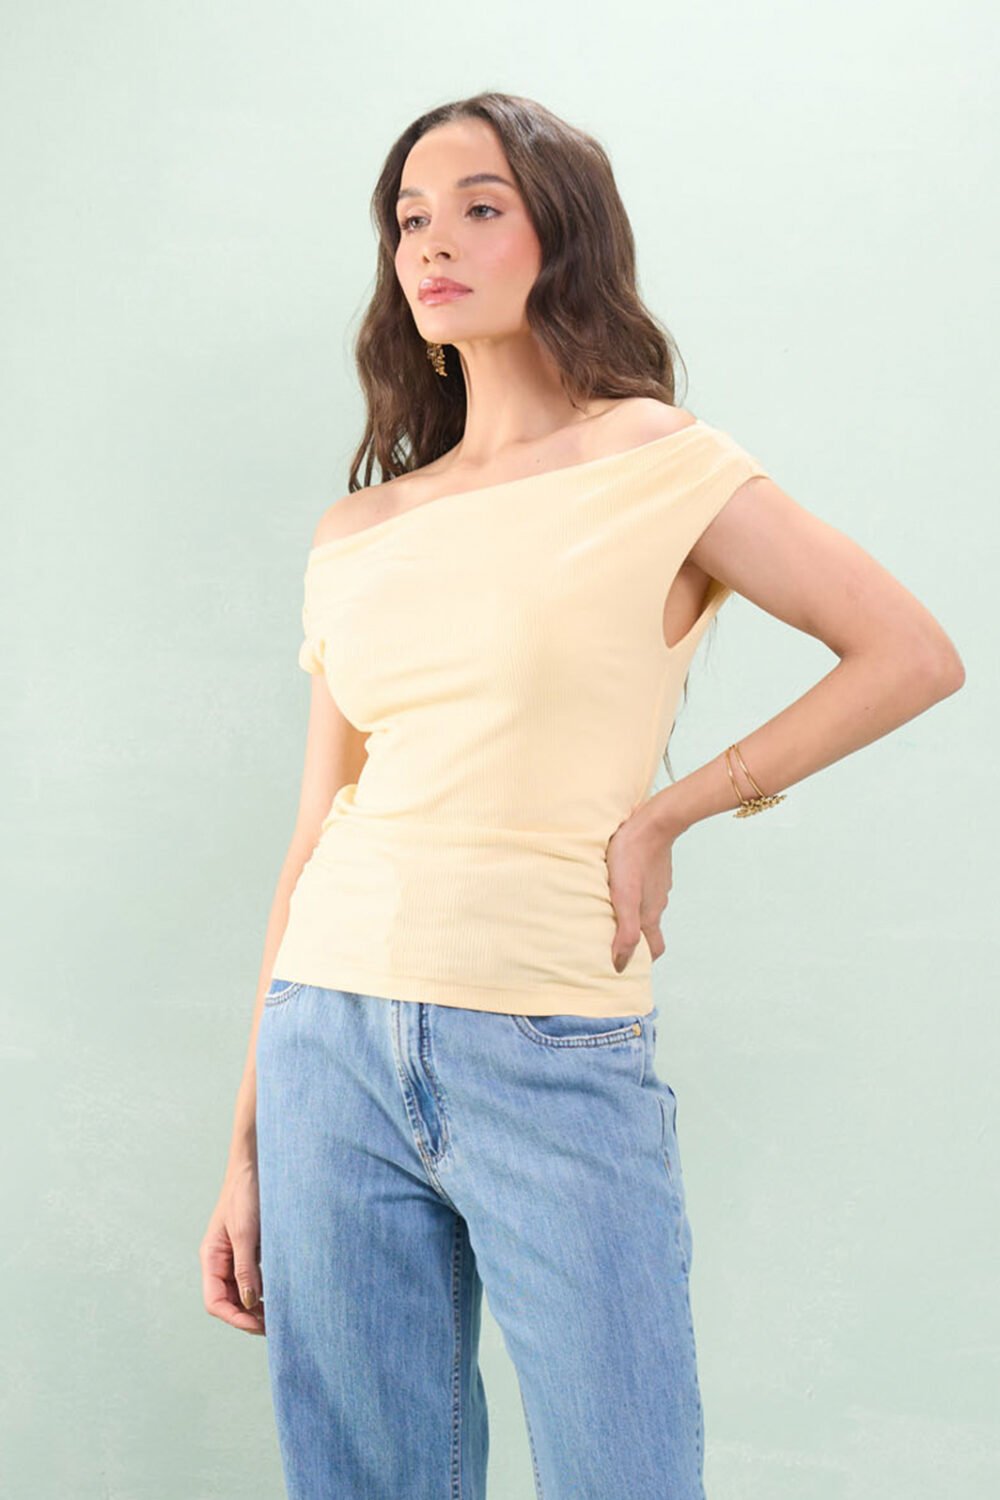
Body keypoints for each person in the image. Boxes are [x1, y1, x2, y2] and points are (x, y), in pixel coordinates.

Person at [199, 93, 965, 1500]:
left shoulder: (658, 461)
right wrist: (246, 1144)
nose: (433, 242)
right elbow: (314, 831)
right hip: (324, 1043)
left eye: (479, 207)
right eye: (410, 220)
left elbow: (911, 654)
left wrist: (676, 812)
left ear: (563, 236)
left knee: (627, 1473)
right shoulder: (358, 528)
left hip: (548, 1037)